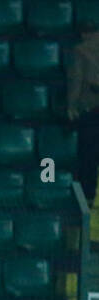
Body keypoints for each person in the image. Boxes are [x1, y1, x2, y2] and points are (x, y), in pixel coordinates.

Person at [69, 19, 99, 204]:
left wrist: (71, 106)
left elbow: (76, 81)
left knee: (88, 158)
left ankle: (87, 200)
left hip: (91, 110)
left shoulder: (80, 50)